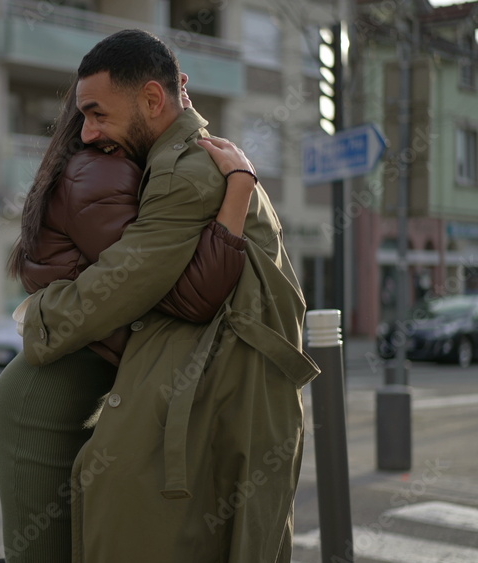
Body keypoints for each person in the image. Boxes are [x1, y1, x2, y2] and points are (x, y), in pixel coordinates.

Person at [17, 30, 320, 562]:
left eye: (97, 114)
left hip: (223, 401)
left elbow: (126, 282)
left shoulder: (183, 169)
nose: (87, 133)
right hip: (242, 401)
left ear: (154, 99)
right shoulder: (202, 158)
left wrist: (39, 316)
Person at [0, 74, 259, 562]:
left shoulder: (136, 166)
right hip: (43, 407)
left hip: (79, 393)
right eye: (88, 115)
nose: (91, 130)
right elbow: (190, 296)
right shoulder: (101, 172)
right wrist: (240, 187)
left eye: (100, 115)